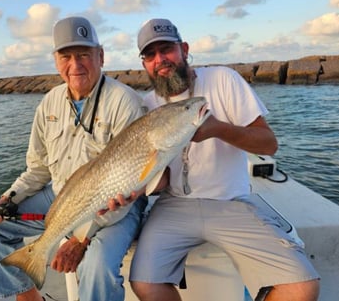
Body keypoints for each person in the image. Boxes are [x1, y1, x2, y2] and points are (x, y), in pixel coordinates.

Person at [128, 18, 320, 301]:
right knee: (145, 283)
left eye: (166, 49)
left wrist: (219, 129)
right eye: (150, 55)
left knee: (302, 287)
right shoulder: (146, 105)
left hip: (231, 200)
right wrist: (137, 188)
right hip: (174, 205)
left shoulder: (223, 79)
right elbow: (160, 178)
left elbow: (269, 144)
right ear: (144, 63)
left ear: (184, 49)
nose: (160, 60)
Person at [0, 16, 147, 301]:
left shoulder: (124, 102)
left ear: (100, 56)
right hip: (61, 197)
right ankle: (29, 297)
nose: (75, 65)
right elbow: (39, 169)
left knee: (97, 265)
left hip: (119, 204)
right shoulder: (49, 102)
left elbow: (129, 185)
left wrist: (81, 238)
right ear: (56, 61)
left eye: (84, 55)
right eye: (66, 56)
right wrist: (6, 200)